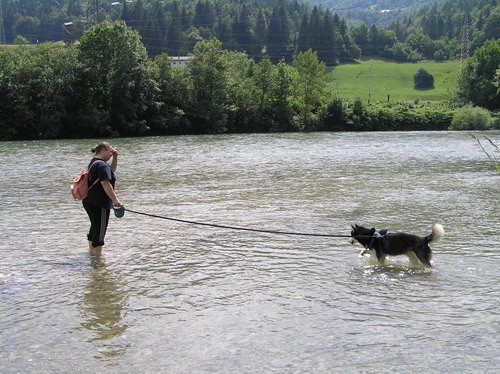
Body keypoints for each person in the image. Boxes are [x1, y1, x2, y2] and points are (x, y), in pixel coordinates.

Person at [83, 142, 122, 255]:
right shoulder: (102, 165)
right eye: (110, 151)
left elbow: (111, 172)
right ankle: (98, 262)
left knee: (95, 227)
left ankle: (91, 254)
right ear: (103, 150)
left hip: (88, 201)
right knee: (100, 231)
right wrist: (115, 200)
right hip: (100, 203)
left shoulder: (94, 162)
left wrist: (115, 157)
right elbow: (105, 182)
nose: (111, 153)